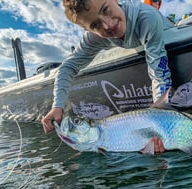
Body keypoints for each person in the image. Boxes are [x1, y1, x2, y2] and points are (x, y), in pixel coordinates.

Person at [42, 0, 173, 154]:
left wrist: (162, 122)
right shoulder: (93, 38)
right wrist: (57, 106)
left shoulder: (147, 18)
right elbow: (67, 67)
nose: (107, 25)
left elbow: (159, 73)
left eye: (106, 10)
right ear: (86, 29)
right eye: (95, 25)